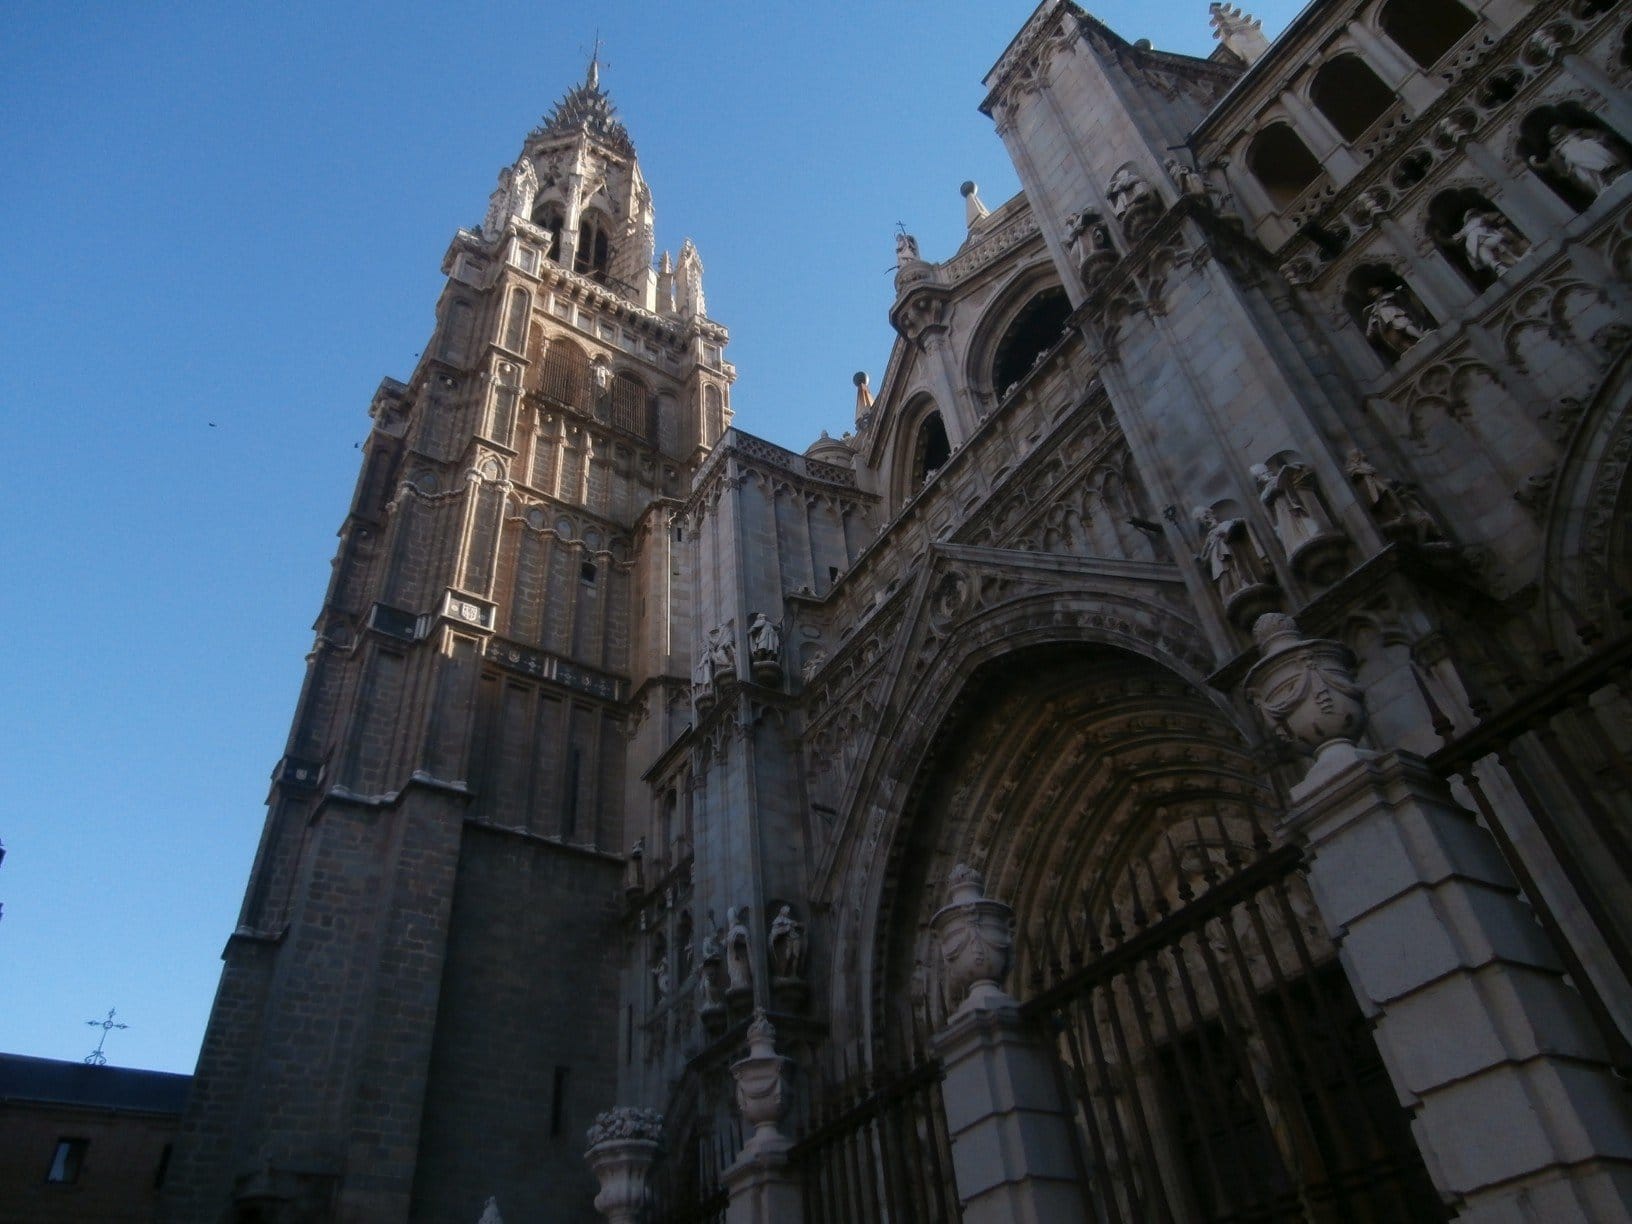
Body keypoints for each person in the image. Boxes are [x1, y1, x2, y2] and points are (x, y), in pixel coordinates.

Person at [1531, 123, 1627, 200]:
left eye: (1556, 131)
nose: (1554, 135)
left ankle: (1609, 170)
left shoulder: (1578, 133)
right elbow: (1550, 164)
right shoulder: (1556, 152)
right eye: (1552, 135)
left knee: (1589, 145)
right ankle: (1602, 185)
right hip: (1576, 165)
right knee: (1583, 172)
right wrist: (1535, 164)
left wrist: (1602, 138)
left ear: (1563, 129)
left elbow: (1598, 135)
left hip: (1591, 151)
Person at [1362, 285, 1429, 358]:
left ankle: (1421, 336)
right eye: (1371, 291)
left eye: (1374, 289)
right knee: (1395, 338)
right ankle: (1409, 348)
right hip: (1387, 325)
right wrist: (1369, 331)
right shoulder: (1374, 308)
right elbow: (1372, 320)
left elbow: (1404, 301)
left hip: (1396, 315)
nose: (1373, 292)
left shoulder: (1390, 295)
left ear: (1380, 288)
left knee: (1404, 325)